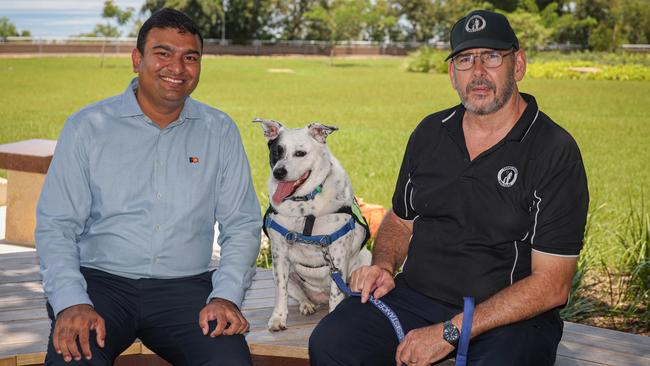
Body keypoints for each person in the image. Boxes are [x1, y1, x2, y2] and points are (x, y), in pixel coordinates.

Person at [309, 9, 589, 366]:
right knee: (332, 342)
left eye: (491, 57)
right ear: (451, 73)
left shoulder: (553, 150)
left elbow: (552, 284)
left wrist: (452, 330)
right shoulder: (430, 133)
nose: (478, 73)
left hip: (508, 319)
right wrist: (382, 264)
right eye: (465, 59)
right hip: (416, 299)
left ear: (517, 65)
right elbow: (401, 220)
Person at [35, 8, 261, 366]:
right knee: (74, 359)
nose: (177, 67)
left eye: (190, 57)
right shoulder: (88, 127)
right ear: (137, 59)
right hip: (100, 285)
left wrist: (227, 296)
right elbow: (57, 225)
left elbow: (242, 224)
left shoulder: (219, 130)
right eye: (163, 53)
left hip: (186, 289)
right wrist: (71, 302)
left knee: (228, 361)